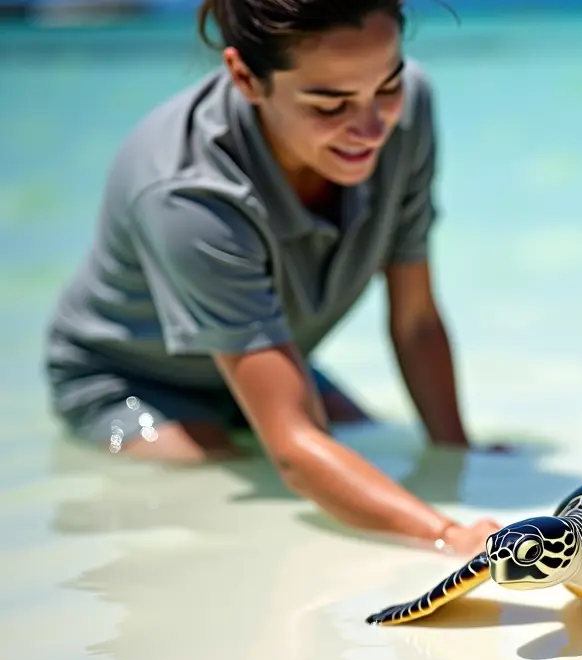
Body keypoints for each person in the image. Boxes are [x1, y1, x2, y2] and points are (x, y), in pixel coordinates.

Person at [41, 0, 501, 555]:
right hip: (130, 382)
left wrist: (458, 458)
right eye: (330, 104)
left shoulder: (409, 108)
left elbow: (416, 319)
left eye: (387, 86)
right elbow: (293, 449)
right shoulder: (186, 193)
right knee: (225, 485)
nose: (373, 128)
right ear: (245, 78)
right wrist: (448, 537)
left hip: (269, 353)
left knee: (369, 442)